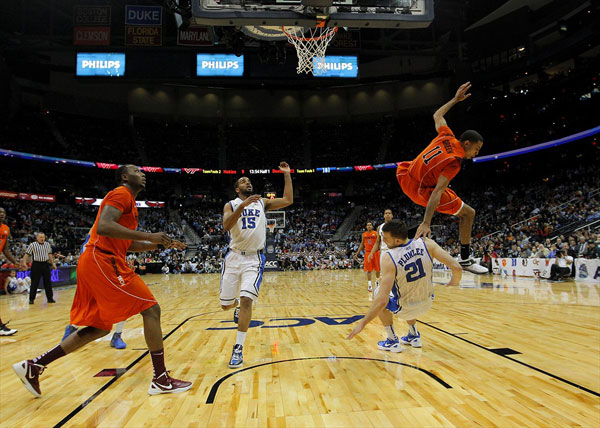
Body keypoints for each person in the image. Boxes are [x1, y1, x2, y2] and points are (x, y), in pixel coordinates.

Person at [13, 165, 192, 397]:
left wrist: (159, 244)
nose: (143, 173)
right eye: (137, 171)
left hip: (99, 261)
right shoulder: (121, 193)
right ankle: (160, 379)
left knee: (98, 328)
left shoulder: (129, 202)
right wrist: (150, 236)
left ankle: (35, 365)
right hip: (102, 261)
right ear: (125, 177)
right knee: (151, 309)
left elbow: (125, 244)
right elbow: (105, 227)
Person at [396, 82, 487, 274]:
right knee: (468, 213)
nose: (476, 154)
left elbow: (437, 115)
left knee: (461, 206)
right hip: (421, 190)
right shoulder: (455, 161)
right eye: (476, 149)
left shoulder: (447, 135)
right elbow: (436, 192)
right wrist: (426, 221)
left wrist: (455, 99)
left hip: (406, 175)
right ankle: (465, 259)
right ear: (467, 143)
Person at [347, 219, 462, 350]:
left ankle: (392, 340)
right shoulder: (427, 243)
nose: (383, 241)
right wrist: (455, 281)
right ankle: (414, 335)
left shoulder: (389, 257)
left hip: (405, 309)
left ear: (397, 241)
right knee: (407, 290)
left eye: (385, 238)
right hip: (427, 303)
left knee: (378, 292)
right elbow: (457, 268)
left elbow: (381, 302)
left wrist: (363, 323)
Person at [221, 162, 293, 368]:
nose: (248, 183)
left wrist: (286, 175)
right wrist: (243, 206)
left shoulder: (262, 203)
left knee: (246, 300)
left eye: (250, 181)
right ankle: (233, 306)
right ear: (237, 189)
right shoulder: (231, 204)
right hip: (233, 257)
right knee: (226, 305)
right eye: (244, 181)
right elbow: (226, 226)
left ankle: (238, 348)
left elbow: (288, 199)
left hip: (254, 258)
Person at [62, 228, 128, 349]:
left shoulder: (110, 245)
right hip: (90, 279)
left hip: (109, 278)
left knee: (122, 305)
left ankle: (117, 335)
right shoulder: (89, 243)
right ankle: (72, 328)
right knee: (85, 308)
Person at [1, 207, 26, 336]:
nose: (1, 215)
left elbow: (5, 250)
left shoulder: (6, 228)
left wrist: (16, 262)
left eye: (3, 213)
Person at [22, 233, 57, 304]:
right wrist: (24, 263)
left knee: (48, 282)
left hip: (45, 264)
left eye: (43, 237)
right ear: (37, 238)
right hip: (36, 265)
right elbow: (26, 255)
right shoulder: (32, 245)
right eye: (40, 237)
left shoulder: (47, 244)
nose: (42, 239)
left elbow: (50, 255)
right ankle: (31, 299)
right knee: (35, 282)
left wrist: (53, 263)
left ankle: (50, 298)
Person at [353, 222, 380, 296]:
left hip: (376, 252)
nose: (369, 226)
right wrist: (357, 253)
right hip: (368, 253)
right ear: (366, 227)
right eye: (368, 225)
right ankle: (370, 285)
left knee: (378, 269)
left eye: (370, 225)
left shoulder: (376, 233)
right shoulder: (364, 234)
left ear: (372, 226)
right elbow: (362, 244)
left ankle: (377, 281)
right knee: (368, 270)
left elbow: (379, 242)